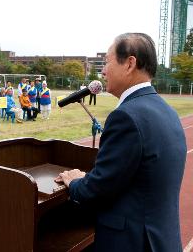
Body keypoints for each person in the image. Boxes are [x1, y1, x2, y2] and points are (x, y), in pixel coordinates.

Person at [55, 33, 187, 251]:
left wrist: (76, 181)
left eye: (107, 61)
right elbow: (133, 177)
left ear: (129, 63)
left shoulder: (126, 116)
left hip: (133, 242)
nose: (103, 71)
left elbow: (97, 189)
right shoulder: (166, 110)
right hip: (161, 239)